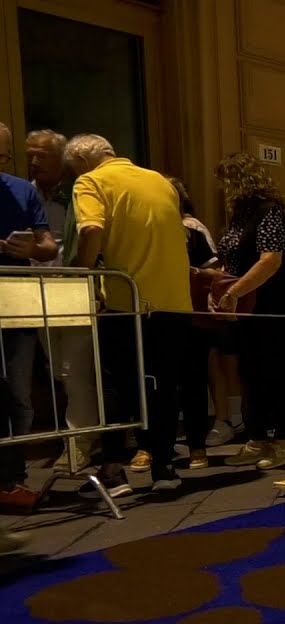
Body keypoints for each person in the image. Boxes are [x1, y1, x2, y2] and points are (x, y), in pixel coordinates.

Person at [67, 133, 192, 496]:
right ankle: (165, 467)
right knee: (163, 387)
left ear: (84, 162)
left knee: (118, 388)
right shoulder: (160, 181)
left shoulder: (91, 181)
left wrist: (84, 271)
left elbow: (91, 229)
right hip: (173, 300)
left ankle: (113, 470)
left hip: (127, 301)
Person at [210, 152, 285, 468]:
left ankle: (281, 442)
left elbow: (271, 260)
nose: (224, 189)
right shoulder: (239, 215)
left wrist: (234, 291)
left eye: (227, 182)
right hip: (244, 310)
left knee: (274, 375)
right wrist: (219, 289)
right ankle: (256, 440)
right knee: (250, 374)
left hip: (271, 308)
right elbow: (230, 259)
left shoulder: (268, 210)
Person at [26, 128, 97, 470]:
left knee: (75, 368)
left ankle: (80, 442)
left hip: (72, 288)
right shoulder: (25, 194)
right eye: (29, 155)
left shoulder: (79, 192)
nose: (34, 162)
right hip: (33, 292)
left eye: (42, 155)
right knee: (55, 368)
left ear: (63, 159)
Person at [0, 123, 59, 511]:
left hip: (16, 304)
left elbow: (48, 243)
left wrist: (30, 251)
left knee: (17, 394)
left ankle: (11, 479)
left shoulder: (21, 190)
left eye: (3, 157)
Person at [168, 176, 217, 470]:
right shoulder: (146, 231)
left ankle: (197, 445)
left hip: (191, 315)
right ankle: (152, 446)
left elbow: (215, 271)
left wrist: (193, 272)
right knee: (158, 384)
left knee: (193, 381)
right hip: (156, 313)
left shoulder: (193, 232)